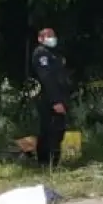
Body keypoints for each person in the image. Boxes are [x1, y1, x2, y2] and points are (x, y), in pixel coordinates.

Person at [31, 27, 69, 167]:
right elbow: (47, 78)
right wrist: (56, 101)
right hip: (48, 99)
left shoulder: (53, 54)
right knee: (52, 130)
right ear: (40, 39)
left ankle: (47, 162)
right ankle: (49, 163)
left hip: (56, 97)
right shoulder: (42, 54)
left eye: (53, 35)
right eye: (48, 36)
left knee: (53, 130)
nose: (52, 38)